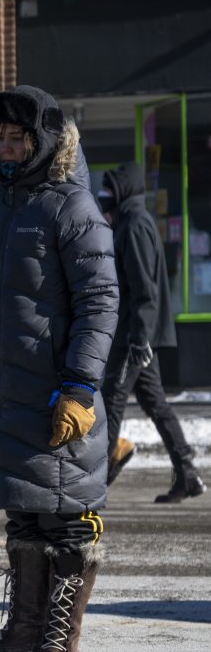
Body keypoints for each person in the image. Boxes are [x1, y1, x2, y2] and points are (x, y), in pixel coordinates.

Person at [0, 85, 118, 652]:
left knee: (69, 512)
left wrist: (79, 387)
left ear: (46, 140)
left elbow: (100, 303)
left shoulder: (73, 208)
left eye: (18, 137)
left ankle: (60, 638)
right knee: (23, 511)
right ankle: (22, 631)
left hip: (55, 390)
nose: (7, 147)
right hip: (3, 389)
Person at [98, 162, 204, 503]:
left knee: (112, 397)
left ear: (124, 191)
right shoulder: (130, 222)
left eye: (110, 190)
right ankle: (187, 473)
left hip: (135, 335)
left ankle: (97, 478)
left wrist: (139, 337)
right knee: (154, 401)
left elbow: (144, 288)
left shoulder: (133, 225)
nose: (104, 197)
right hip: (138, 332)